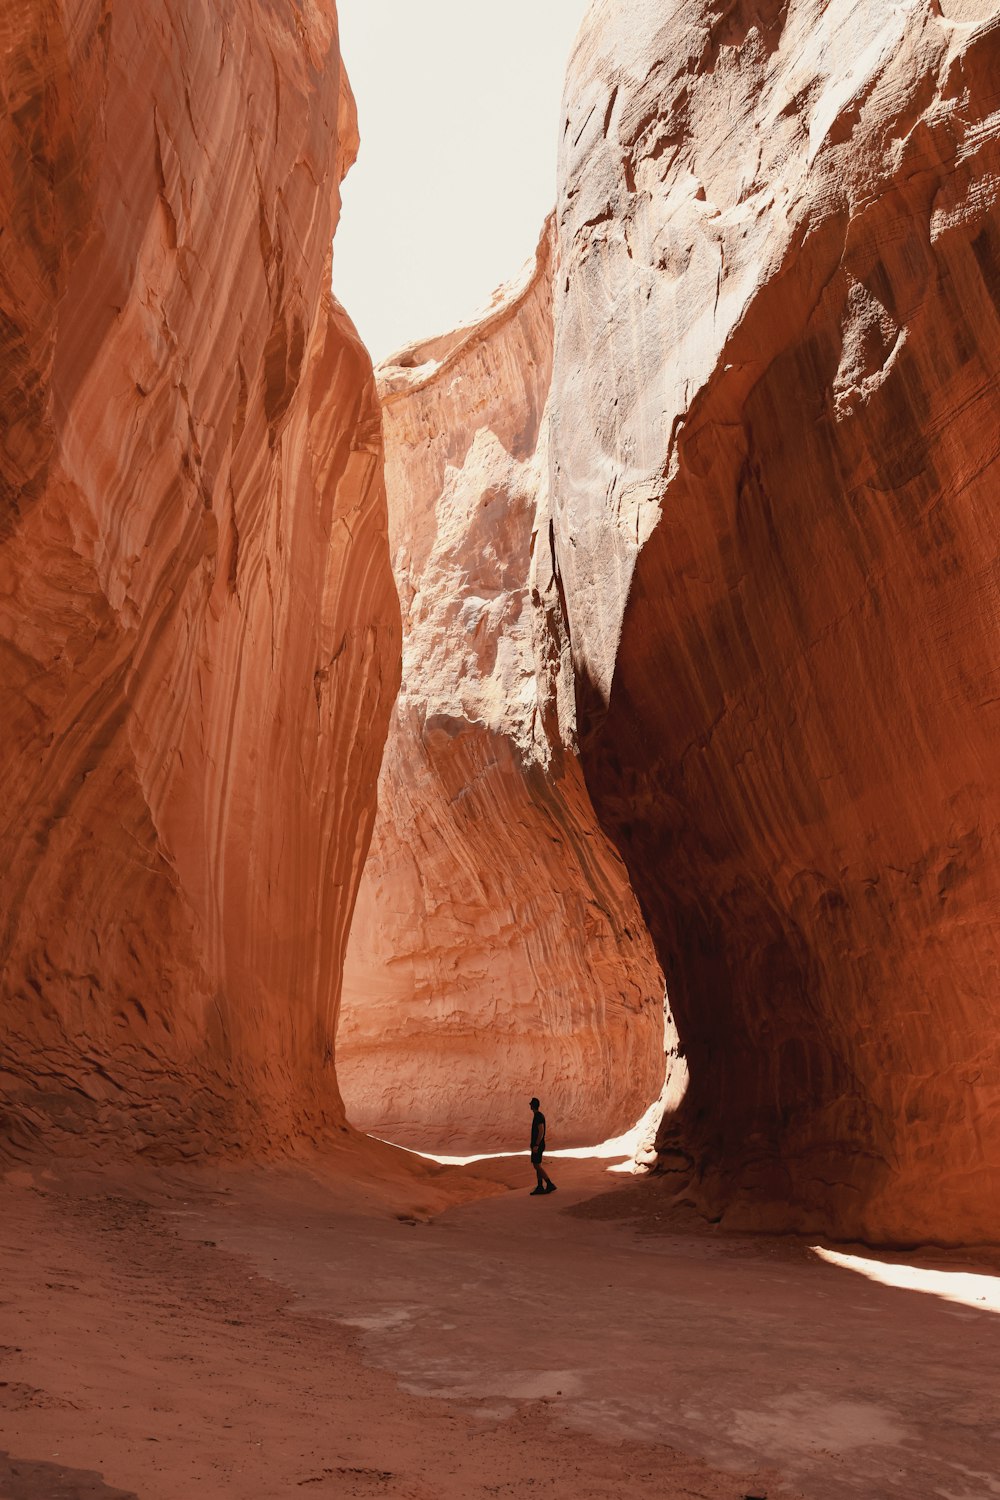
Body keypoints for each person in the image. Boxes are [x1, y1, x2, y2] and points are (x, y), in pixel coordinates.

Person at [529, 1097, 556, 1196]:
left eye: (531, 1104)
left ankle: (549, 1183)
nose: (530, 1105)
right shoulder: (538, 1115)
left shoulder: (538, 1116)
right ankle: (540, 1186)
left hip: (538, 1145)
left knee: (537, 1166)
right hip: (538, 1144)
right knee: (537, 1165)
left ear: (533, 1105)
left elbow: (541, 1131)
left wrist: (536, 1144)